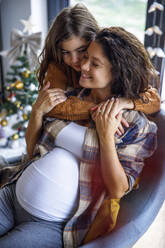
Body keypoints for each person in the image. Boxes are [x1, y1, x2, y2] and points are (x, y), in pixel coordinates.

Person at [0, 26, 157, 247]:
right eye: (85, 58)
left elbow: (118, 188)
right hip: (12, 194)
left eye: (94, 63)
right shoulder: (71, 97)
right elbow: (34, 148)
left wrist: (105, 136)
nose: (81, 66)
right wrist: (38, 111)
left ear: (117, 71)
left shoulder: (135, 125)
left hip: (52, 224)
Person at [25, 3, 160, 159]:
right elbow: (55, 107)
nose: (76, 61)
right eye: (66, 52)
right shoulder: (58, 68)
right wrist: (103, 110)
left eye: (82, 50)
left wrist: (124, 102)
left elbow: (154, 100)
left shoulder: (113, 68)